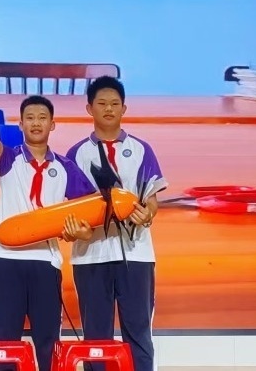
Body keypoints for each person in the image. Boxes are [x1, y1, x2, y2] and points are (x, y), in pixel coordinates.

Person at [0, 88, 97, 371]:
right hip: (4, 262)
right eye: (29, 118)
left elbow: (90, 212)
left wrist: (81, 233)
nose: (35, 122)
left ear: (52, 125)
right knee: (6, 344)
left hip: (46, 264)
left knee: (48, 342)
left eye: (42, 117)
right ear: (20, 124)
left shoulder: (66, 167)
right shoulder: (8, 160)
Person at [63, 76, 168, 371]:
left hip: (136, 255)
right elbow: (71, 209)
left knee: (138, 334)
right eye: (101, 103)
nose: (108, 109)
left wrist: (148, 213)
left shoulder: (141, 150)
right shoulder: (75, 155)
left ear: (124, 108)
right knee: (96, 338)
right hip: (91, 257)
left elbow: (151, 199)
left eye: (114, 103)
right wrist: (74, 231)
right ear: (89, 108)